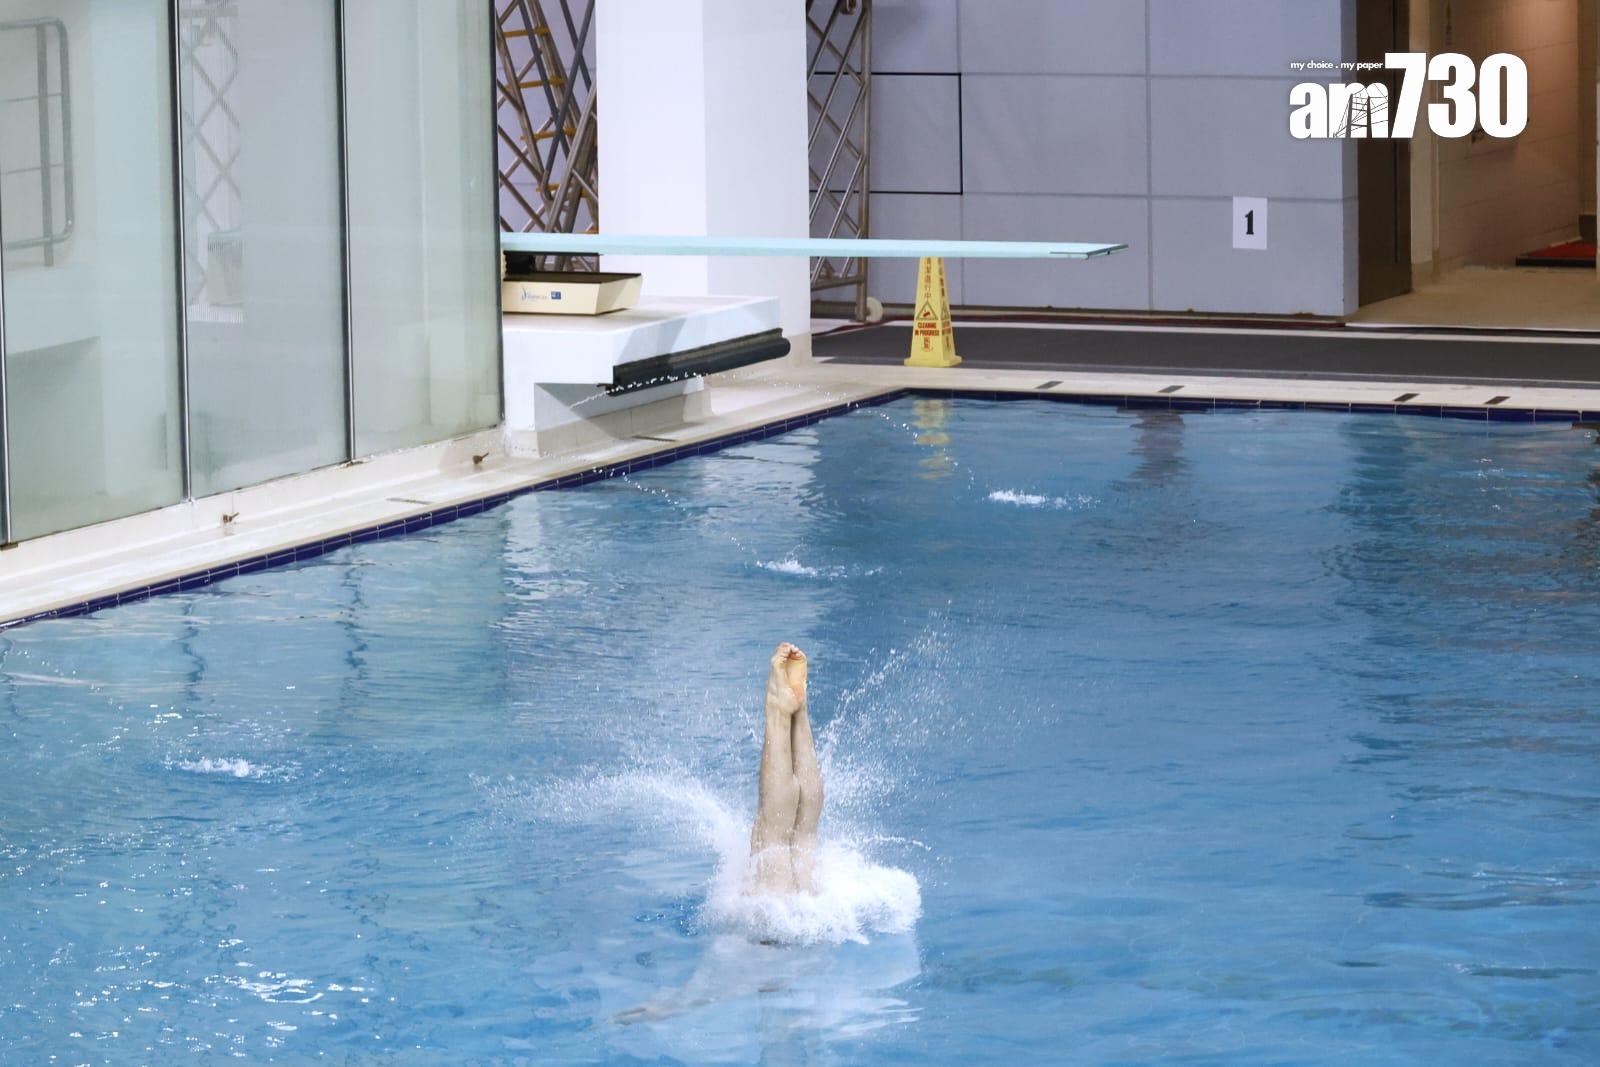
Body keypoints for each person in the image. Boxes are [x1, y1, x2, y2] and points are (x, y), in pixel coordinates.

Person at [748, 642, 823, 894]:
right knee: (801, 837)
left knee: (774, 837)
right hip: (809, 917)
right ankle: (796, 710)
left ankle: (783, 711)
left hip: (782, 917)